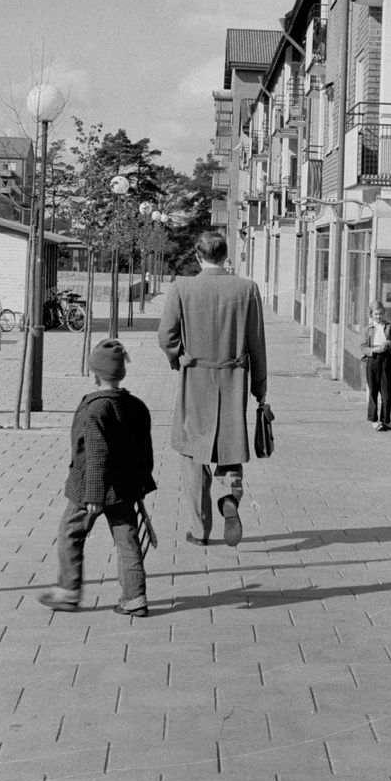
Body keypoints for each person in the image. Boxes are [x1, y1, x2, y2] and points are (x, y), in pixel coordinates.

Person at [158, 231, 267, 548]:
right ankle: (230, 494)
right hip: (233, 377)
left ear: (197, 256)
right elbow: (257, 343)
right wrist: (259, 387)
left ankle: (200, 529)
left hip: (196, 377)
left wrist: (178, 357)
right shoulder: (247, 288)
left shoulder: (182, 288)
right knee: (229, 445)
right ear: (226, 255)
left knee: (193, 452)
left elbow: (166, 335)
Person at [38, 340, 156, 615]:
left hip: (89, 488)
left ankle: (68, 591)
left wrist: (94, 494)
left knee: (70, 532)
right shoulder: (137, 406)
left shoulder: (95, 409)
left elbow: (96, 453)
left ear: (95, 374)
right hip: (125, 488)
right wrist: (140, 483)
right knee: (127, 540)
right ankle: (135, 597)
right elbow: (145, 451)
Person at [360, 300, 391, 431]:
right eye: (376, 314)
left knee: (387, 391)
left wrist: (389, 343)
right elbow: (362, 347)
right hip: (373, 359)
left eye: (380, 314)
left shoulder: (388, 326)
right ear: (371, 314)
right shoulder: (367, 329)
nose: (378, 316)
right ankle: (374, 420)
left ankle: (386, 420)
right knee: (373, 390)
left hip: (386, 359)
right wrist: (373, 350)